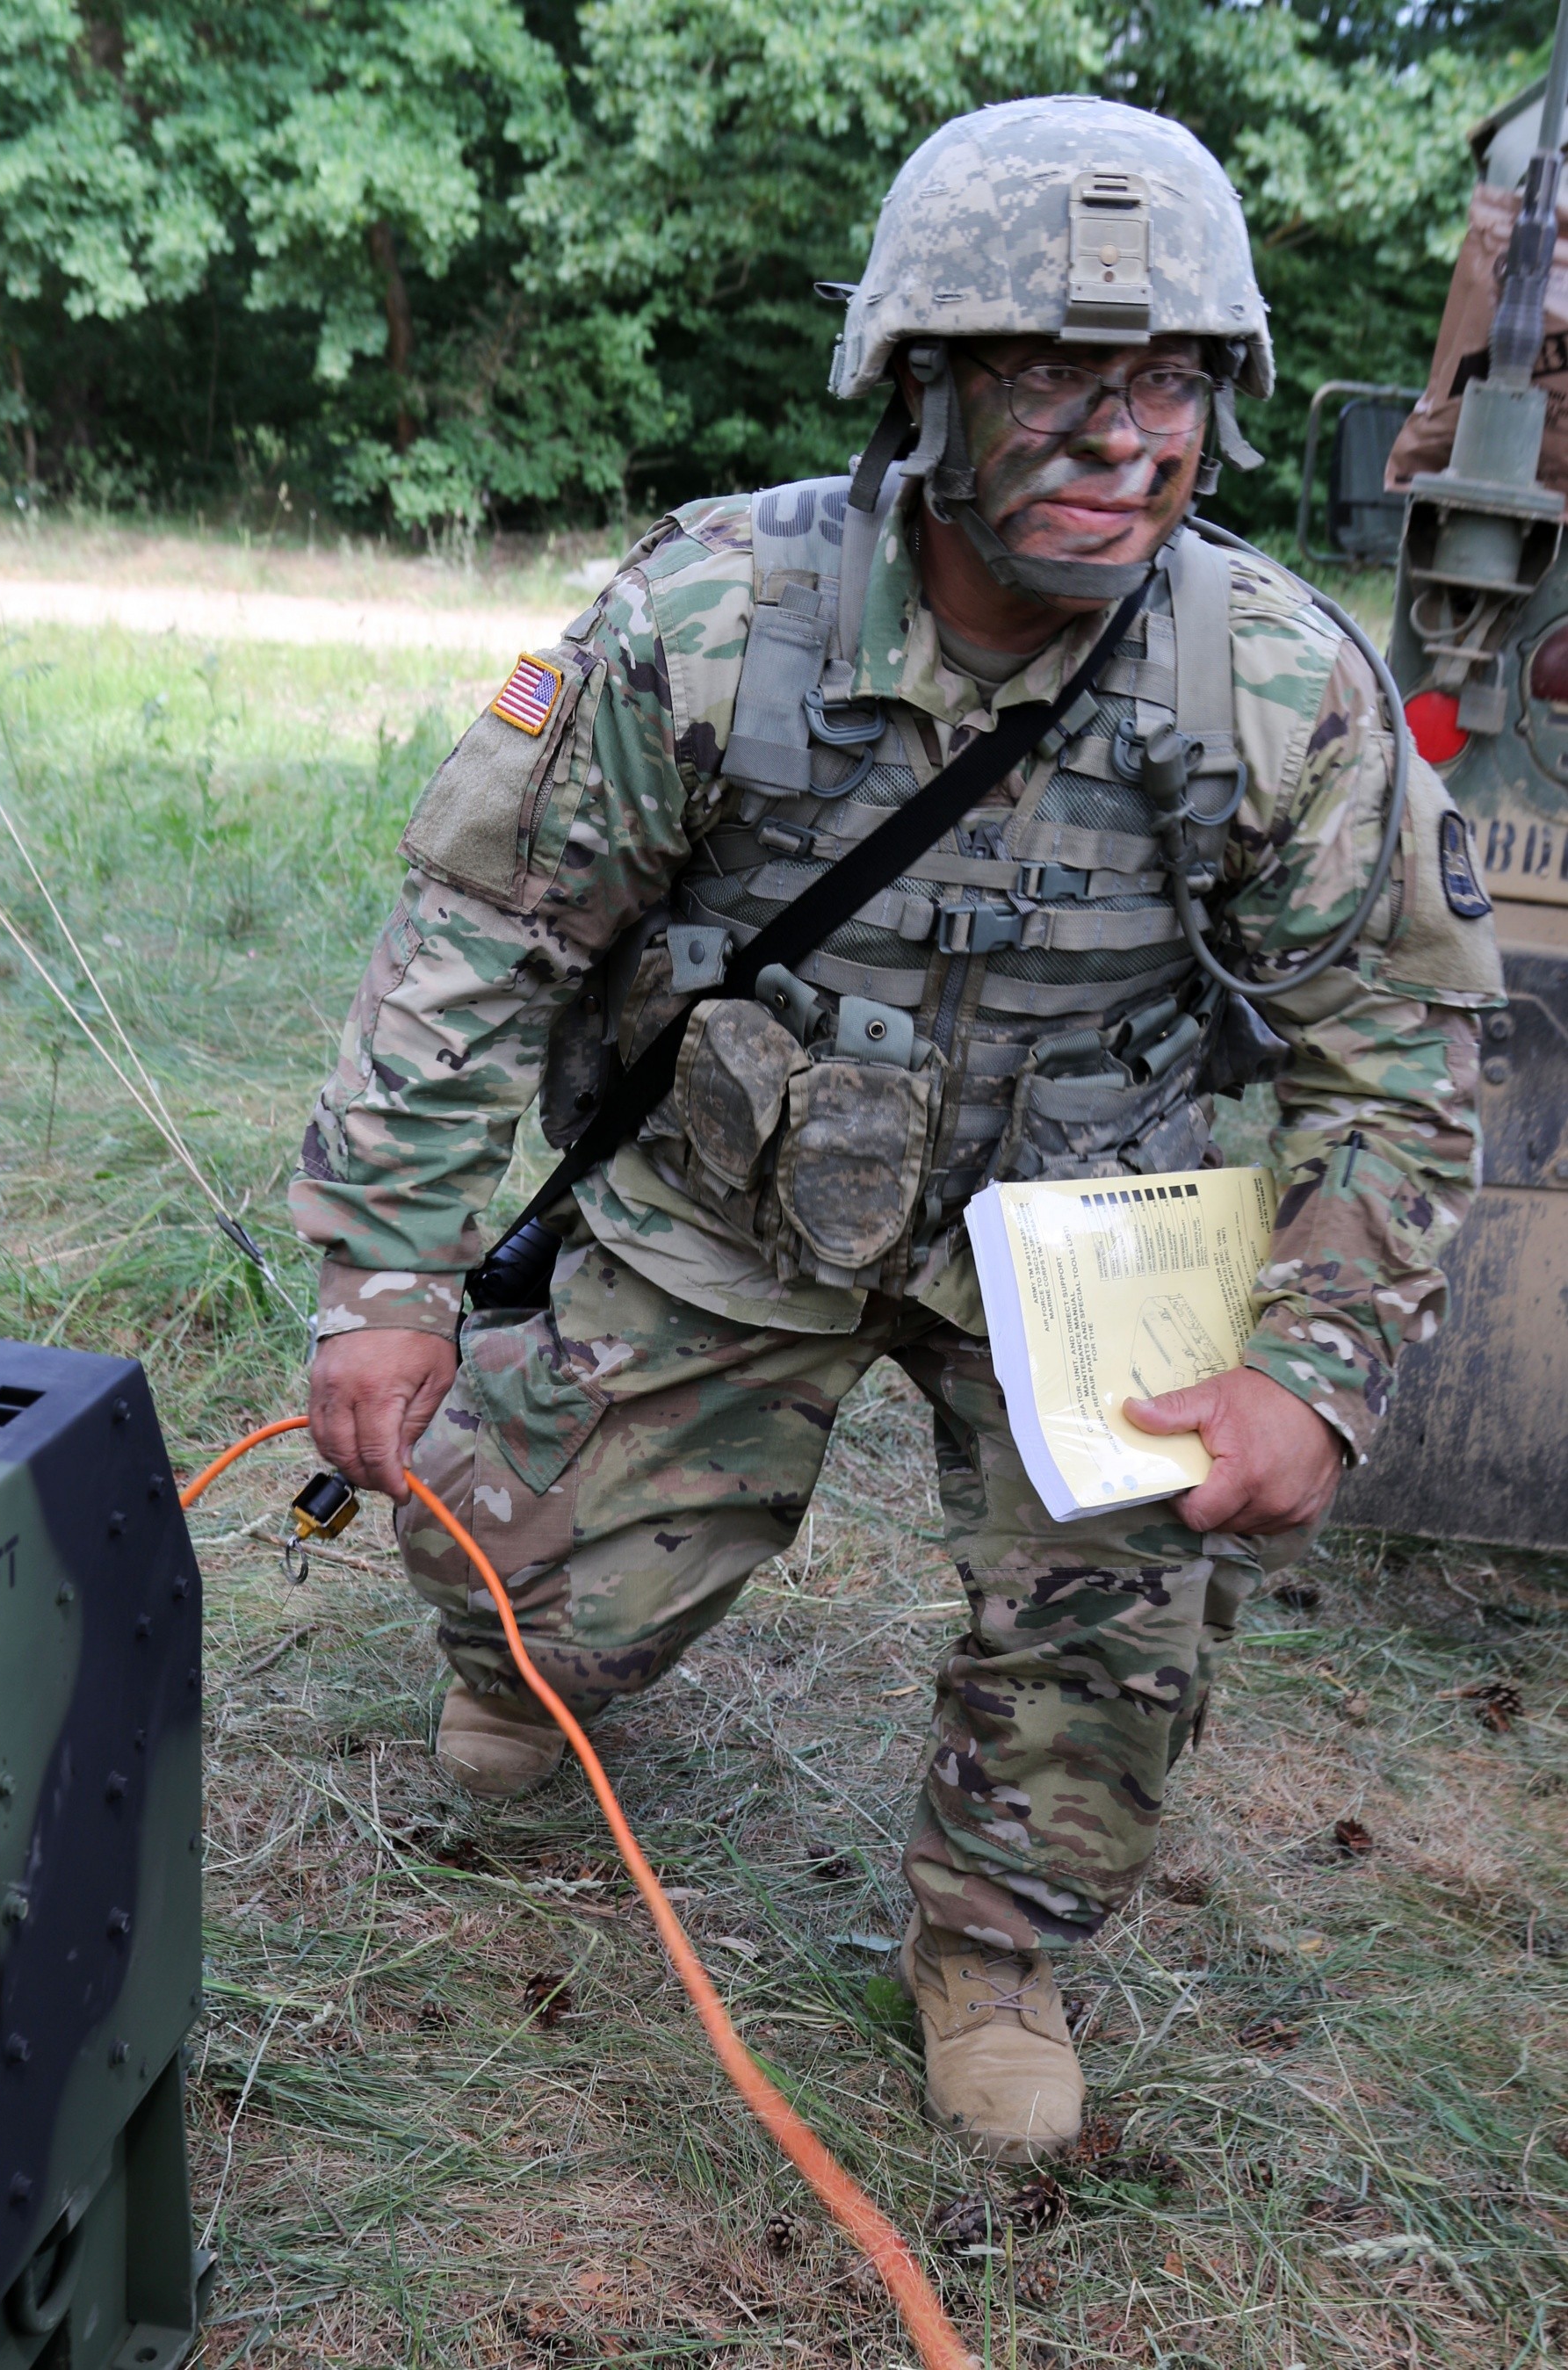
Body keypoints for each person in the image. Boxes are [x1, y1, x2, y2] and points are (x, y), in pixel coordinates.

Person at [291, 97, 1501, 2164]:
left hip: (1085, 1229)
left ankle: (993, 1946)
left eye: (1179, 380)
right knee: (510, 1580)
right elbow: (484, 932)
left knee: (1118, 1611)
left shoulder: (1277, 681)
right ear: (920, 387)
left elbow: (1393, 1048)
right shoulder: (718, 615)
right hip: (734, 1198)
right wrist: (388, 1278)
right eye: (1060, 375)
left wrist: (1314, 1363)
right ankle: (531, 1674)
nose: (1131, 437)